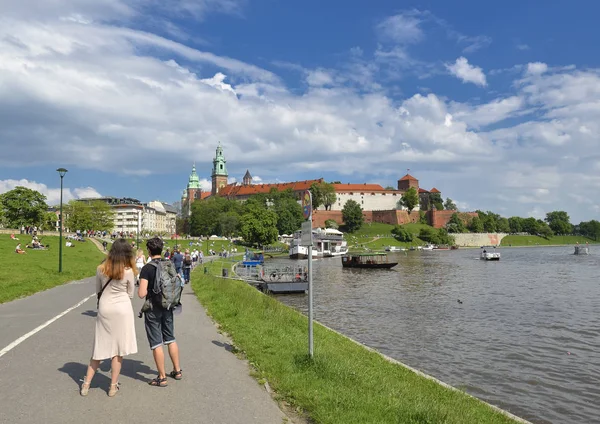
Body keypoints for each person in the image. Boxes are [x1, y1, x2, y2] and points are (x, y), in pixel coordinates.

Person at [80, 239, 138, 397]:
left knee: (100, 346)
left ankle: (86, 383)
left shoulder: (101, 269)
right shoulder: (128, 271)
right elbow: (131, 293)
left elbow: (98, 290)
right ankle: (113, 386)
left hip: (105, 308)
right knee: (118, 350)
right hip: (122, 309)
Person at [138, 237, 182, 387]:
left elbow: (141, 293)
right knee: (170, 338)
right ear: (162, 249)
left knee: (157, 343)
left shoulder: (147, 268)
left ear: (149, 251)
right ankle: (177, 370)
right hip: (168, 306)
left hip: (153, 308)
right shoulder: (169, 264)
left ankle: (162, 377)